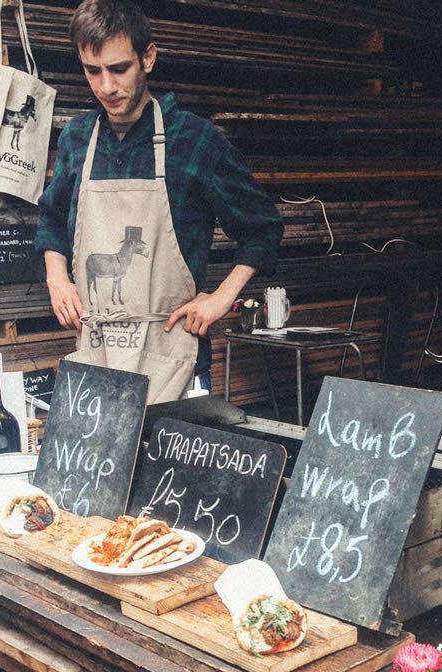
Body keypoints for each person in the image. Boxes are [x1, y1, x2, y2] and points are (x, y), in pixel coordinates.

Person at [35, 0, 283, 403]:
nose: (106, 87)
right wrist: (57, 278)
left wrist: (221, 297)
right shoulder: (78, 139)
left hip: (172, 356)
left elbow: (262, 228)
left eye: (119, 69)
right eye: (92, 71)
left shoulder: (195, 140)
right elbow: (51, 216)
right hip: (96, 353)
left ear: (147, 58)